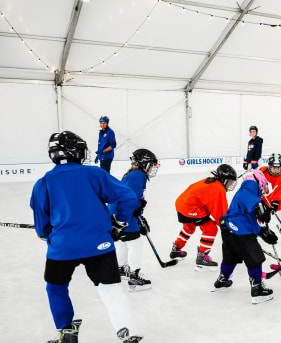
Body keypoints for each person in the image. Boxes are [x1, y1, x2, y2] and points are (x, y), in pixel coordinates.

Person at [30, 131, 143, 343]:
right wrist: (120, 221)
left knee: (56, 287)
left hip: (62, 248)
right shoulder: (94, 174)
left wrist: (48, 235)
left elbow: (41, 226)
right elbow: (127, 195)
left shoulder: (43, 183)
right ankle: (127, 332)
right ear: (74, 151)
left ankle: (66, 330)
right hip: (99, 244)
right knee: (110, 289)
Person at [213, 169, 278, 305]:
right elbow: (257, 209)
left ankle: (223, 279)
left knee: (230, 257)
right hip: (239, 230)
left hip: (228, 228)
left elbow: (247, 217)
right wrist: (262, 209)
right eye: (263, 185)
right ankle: (257, 289)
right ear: (259, 181)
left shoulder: (243, 192)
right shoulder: (250, 186)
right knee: (254, 257)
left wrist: (261, 232)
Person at [170, 164, 237, 271]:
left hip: (181, 203)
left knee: (189, 227)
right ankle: (202, 257)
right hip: (191, 207)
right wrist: (229, 227)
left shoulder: (210, 180)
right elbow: (221, 214)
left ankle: (176, 250)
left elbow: (205, 200)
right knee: (210, 228)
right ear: (224, 179)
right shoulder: (218, 189)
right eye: (230, 181)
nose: (230, 184)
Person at [109, 148, 159, 292]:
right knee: (135, 243)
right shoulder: (138, 175)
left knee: (124, 242)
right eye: (150, 165)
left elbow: (132, 199)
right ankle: (134, 277)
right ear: (143, 164)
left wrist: (140, 218)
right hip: (124, 215)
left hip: (119, 214)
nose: (152, 168)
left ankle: (121, 269)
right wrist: (133, 219)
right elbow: (130, 199)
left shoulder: (133, 173)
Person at [259, 153, 281, 241]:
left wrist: (275, 202)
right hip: (262, 198)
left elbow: (280, 192)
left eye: (278, 168)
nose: (276, 170)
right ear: (269, 166)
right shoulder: (262, 171)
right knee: (260, 215)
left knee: (279, 211)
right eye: (274, 168)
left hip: (275, 198)